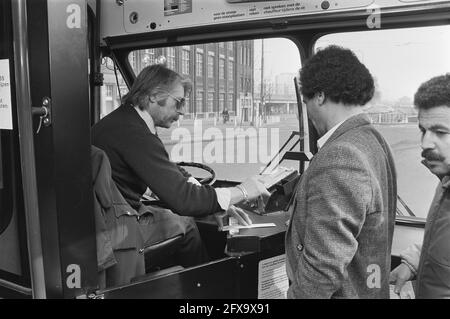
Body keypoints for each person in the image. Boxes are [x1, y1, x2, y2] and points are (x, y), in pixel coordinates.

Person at [92, 64, 270, 269]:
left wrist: (219, 204)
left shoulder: (123, 121)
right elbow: (183, 201)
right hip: (114, 229)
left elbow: (168, 170)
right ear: (153, 96)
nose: (183, 111)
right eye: (178, 102)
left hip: (103, 221)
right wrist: (243, 191)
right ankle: (202, 292)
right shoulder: (136, 134)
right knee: (186, 224)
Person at [285, 46, 397, 298]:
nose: (309, 113)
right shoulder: (373, 141)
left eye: (306, 102)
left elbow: (322, 269)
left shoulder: (339, 156)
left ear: (320, 96)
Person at [390, 74, 450, 299]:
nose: (424, 144)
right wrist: (414, 263)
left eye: (440, 132)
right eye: (423, 131)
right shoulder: (446, 180)